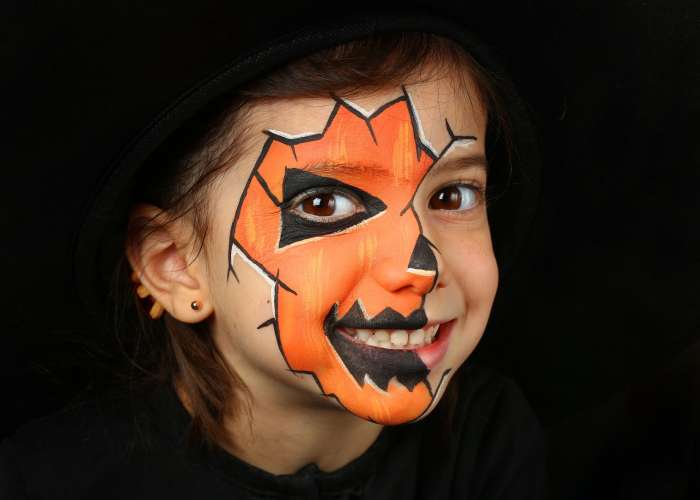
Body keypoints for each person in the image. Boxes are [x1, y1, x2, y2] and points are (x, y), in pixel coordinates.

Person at [0, 10, 545, 500]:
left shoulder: (489, 439)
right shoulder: (52, 480)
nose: (418, 267)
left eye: (452, 196)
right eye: (324, 204)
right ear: (175, 266)